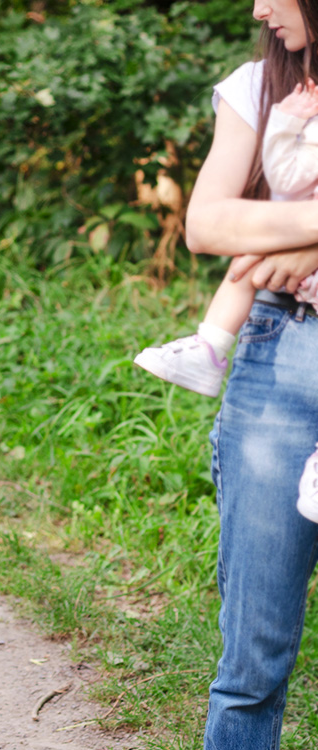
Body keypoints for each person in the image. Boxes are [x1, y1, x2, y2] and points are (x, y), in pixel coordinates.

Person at [174, 1, 318, 747]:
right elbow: (209, 226)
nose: (259, 7)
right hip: (281, 355)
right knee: (251, 666)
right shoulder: (258, 87)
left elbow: (245, 223)